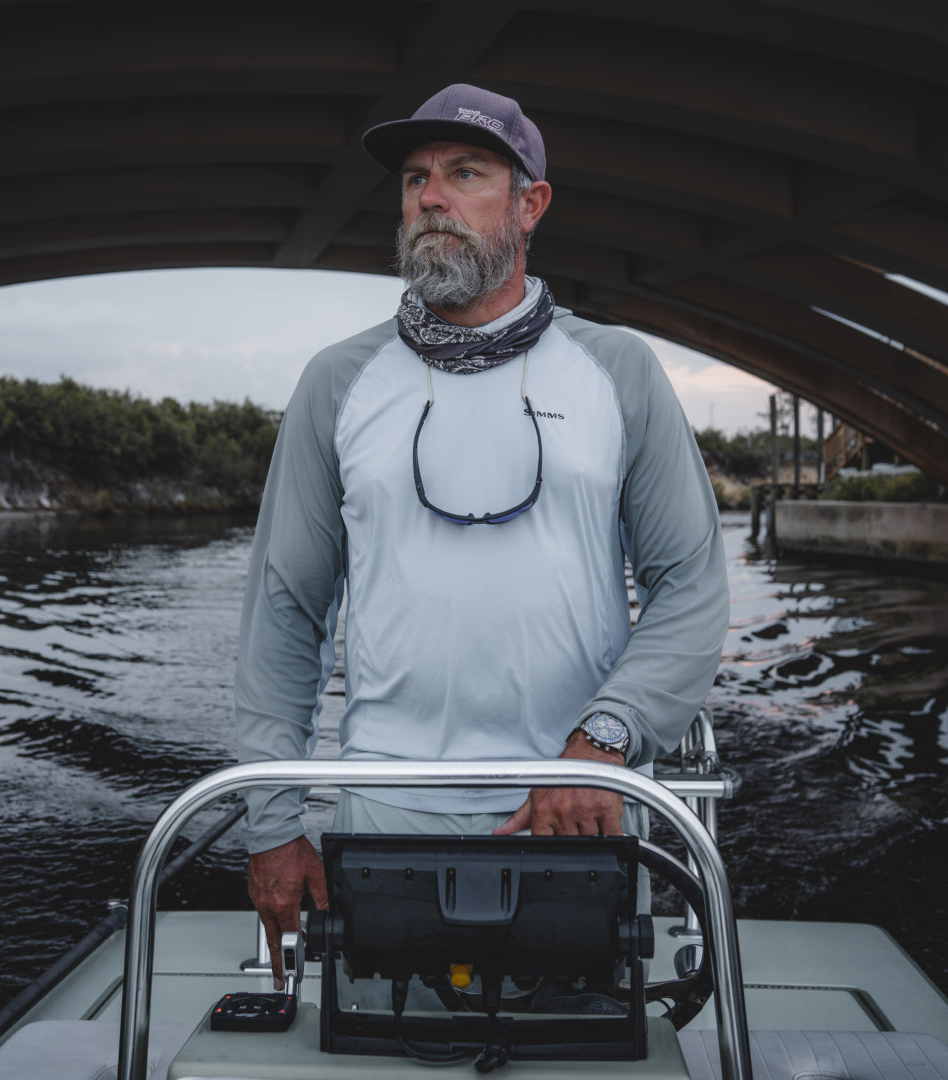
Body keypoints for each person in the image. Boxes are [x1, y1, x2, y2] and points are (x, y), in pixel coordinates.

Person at [235, 83, 729, 989]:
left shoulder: (616, 369)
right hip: (383, 816)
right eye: (415, 177)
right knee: (382, 1042)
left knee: (577, 1041)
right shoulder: (337, 382)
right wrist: (271, 821)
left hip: (574, 807)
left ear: (529, 204)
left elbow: (689, 585)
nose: (430, 196)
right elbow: (284, 609)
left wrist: (604, 746)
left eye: (466, 172)